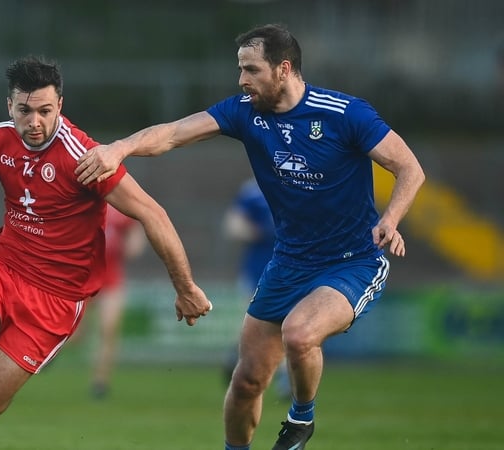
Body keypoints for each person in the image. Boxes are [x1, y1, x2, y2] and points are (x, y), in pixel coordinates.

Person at [75, 24, 425, 450]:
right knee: (246, 382)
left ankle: (301, 419)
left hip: (352, 260)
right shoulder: (245, 112)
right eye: (240, 69)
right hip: (289, 263)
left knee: (299, 333)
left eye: (251, 69)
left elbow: (410, 169)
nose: (242, 80)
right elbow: (171, 133)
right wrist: (119, 148)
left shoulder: (346, 114)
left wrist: (391, 218)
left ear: (284, 69)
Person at [0, 55, 212, 450]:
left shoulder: (84, 157)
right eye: (24, 111)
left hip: (55, 301)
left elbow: (153, 214)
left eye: (45, 111)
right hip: (1, 270)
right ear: (9, 105)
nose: (35, 122)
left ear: (60, 105)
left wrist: (185, 287)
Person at [221, 178, 288, 398]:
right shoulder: (252, 190)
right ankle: (238, 360)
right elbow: (232, 225)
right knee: (252, 325)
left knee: (291, 325)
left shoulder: (302, 181)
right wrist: (257, 231)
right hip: (257, 271)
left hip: (294, 270)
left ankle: (287, 380)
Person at [88, 204, 146, 399]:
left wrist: (133, 244)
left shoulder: (121, 207)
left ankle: (100, 382)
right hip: (82, 277)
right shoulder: (86, 202)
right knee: (73, 334)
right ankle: (46, 357)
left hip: (112, 279)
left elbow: (136, 231)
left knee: (108, 330)